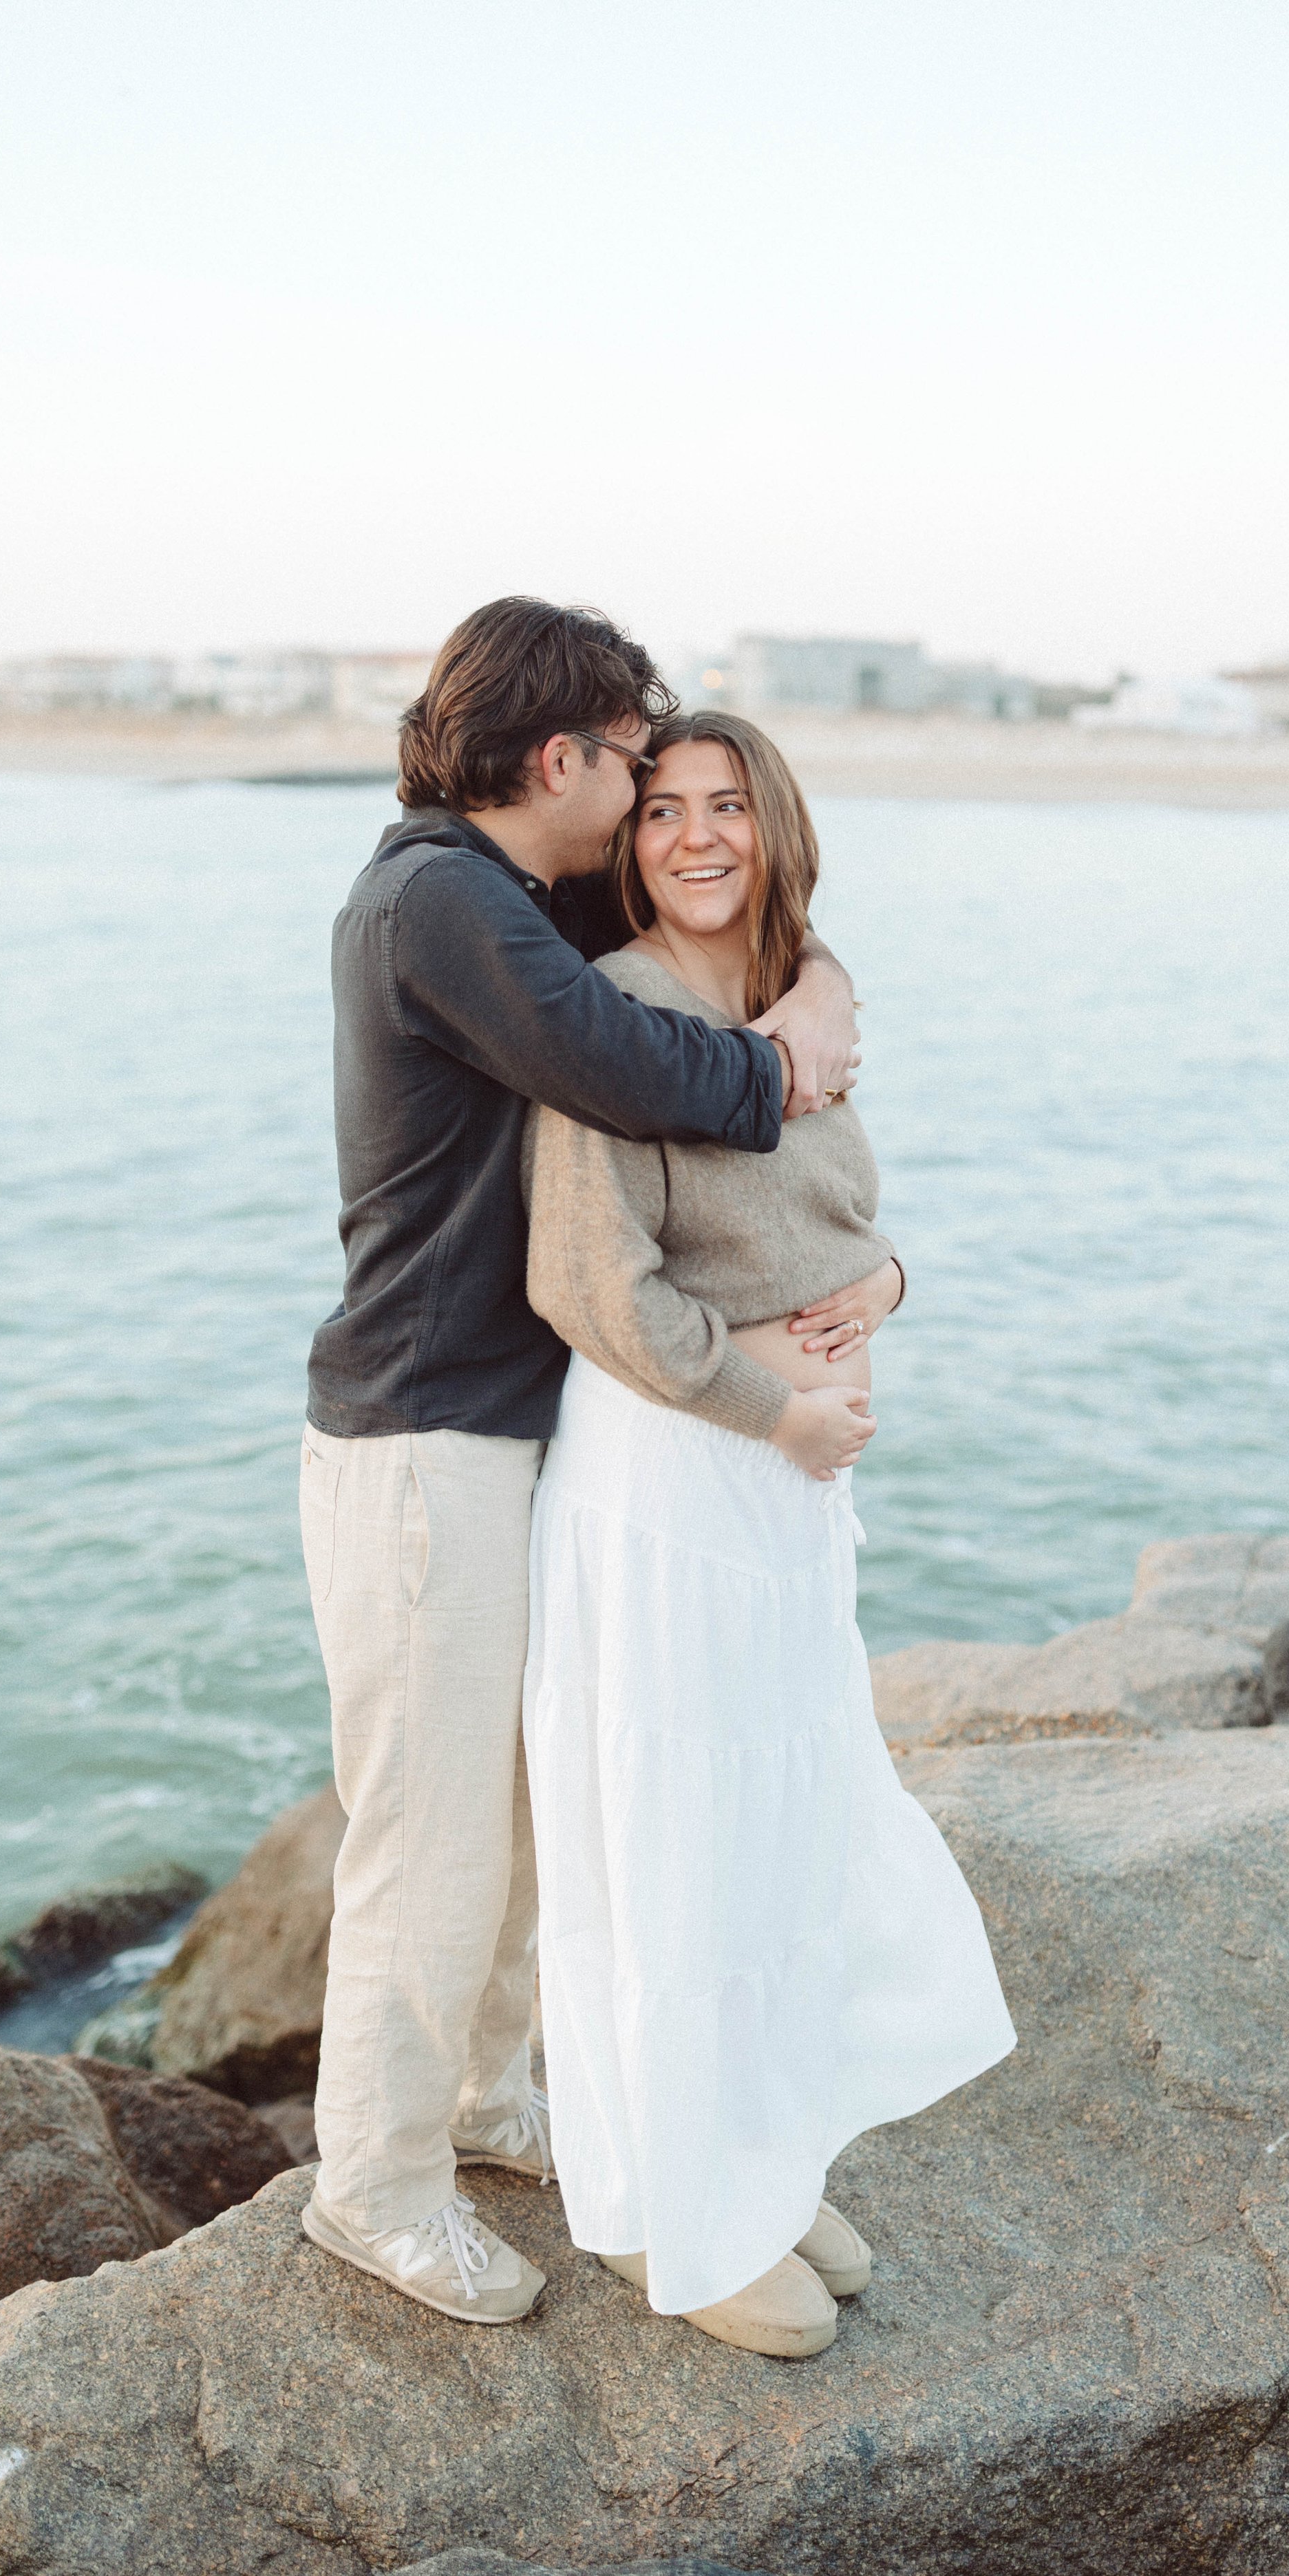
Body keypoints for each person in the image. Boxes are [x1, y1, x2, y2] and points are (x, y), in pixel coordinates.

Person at [297, 601, 868, 2328]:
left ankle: (481, 2108)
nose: (644, 808)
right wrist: (780, 1064)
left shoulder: (494, 896)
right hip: (423, 1438)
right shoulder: (436, 900)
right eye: (631, 767)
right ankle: (372, 2193)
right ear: (560, 758)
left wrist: (819, 978)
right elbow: (628, 1059)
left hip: (502, 1434)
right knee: (432, 1838)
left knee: (529, 1818)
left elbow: (716, 920)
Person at [520, 711, 1016, 2360]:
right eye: (663, 811)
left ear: (773, 823)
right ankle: (679, 2212)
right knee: (673, 1843)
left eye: (728, 805)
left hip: (785, 1489)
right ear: (627, 841)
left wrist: (881, 1292)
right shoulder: (619, 1024)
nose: (696, 836)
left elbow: (841, 1224)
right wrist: (775, 1403)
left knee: (775, 1834)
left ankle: (752, 2153)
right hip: (675, 1474)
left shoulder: (792, 998)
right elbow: (591, 1283)